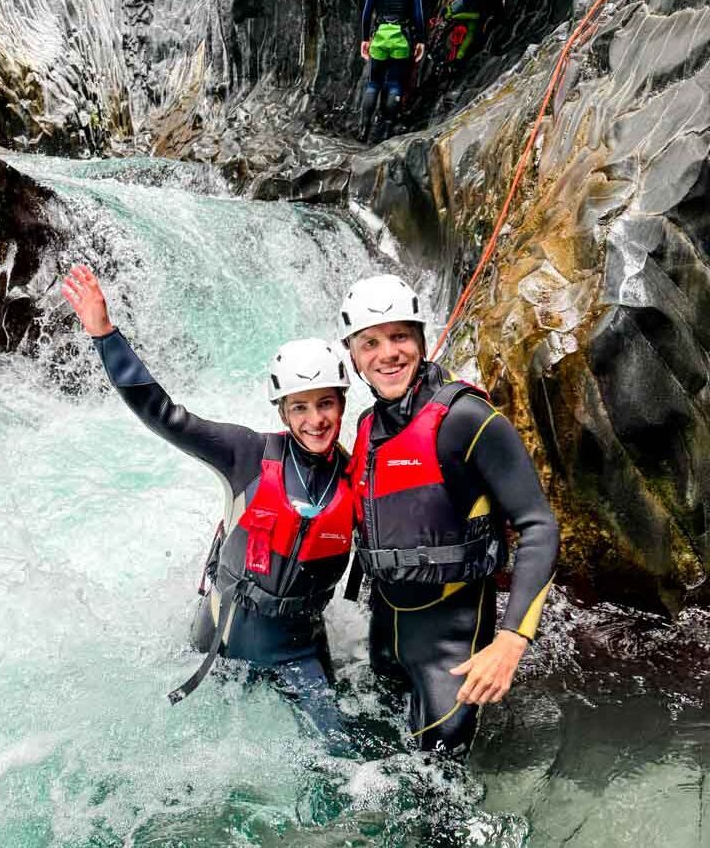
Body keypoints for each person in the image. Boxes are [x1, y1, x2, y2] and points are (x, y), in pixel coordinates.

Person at [62, 264, 355, 749]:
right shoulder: (246, 454)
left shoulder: (357, 477)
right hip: (220, 644)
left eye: (325, 403)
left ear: (342, 404)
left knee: (340, 758)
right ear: (282, 411)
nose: (315, 420)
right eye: (299, 407)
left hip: (299, 651)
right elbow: (165, 415)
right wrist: (105, 334)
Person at [338, 274, 558, 757]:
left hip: (451, 651)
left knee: (437, 796)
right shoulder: (367, 425)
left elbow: (539, 525)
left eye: (400, 337)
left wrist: (510, 643)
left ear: (420, 339)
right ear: (353, 356)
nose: (387, 353)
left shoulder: (466, 418)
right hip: (386, 636)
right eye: (370, 343)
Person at [359, 0, 427, 142]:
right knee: (395, 83)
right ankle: (388, 130)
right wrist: (421, 40)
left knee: (374, 83)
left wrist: (364, 39)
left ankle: (364, 129)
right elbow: (419, 15)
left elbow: (366, 13)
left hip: (380, 37)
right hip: (401, 38)